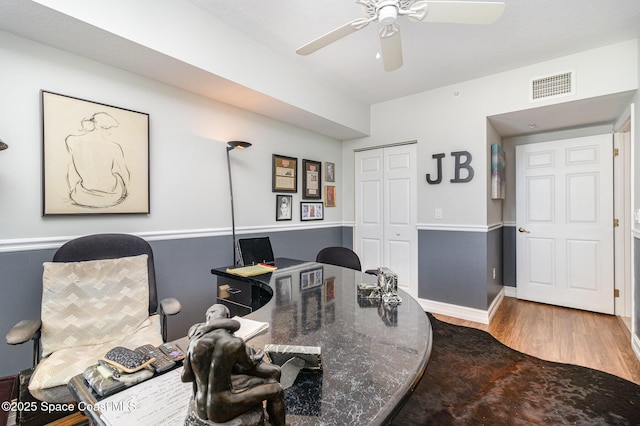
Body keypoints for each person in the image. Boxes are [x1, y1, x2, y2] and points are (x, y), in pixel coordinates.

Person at [182, 304, 285, 425]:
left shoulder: (194, 343)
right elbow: (248, 365)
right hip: (223, 407)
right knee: (277, 390)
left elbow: (186, 377)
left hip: (201, 407)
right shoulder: (234, 342)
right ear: (227, 318)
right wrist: (254, 358)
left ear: (208, 316)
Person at [65, 112, 130, 208]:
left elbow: (71, 169)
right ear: (101, 128)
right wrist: (125, 191)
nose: (110, 132)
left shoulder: (71, 140)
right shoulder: (114, 147)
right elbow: (124, 174)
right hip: (111, 195)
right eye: (109, 128)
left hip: (82, 195)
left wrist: (73, 190)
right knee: (118, 176)